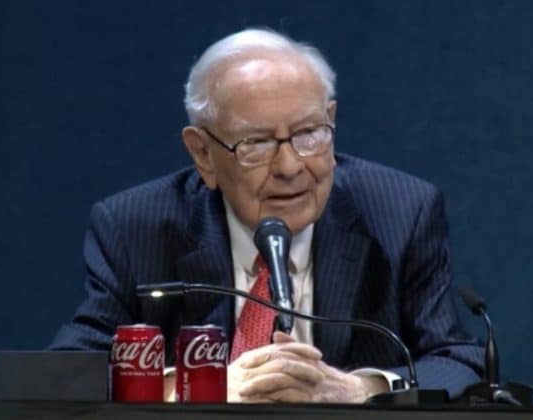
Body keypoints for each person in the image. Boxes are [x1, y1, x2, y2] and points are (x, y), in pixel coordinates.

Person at [50, 28, 483, 403]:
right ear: (203, 154)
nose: (290, 167)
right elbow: (67, 374)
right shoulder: (136, 226)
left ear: (331, 121)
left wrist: (360, 390)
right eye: (256, 144)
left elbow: (459, 361)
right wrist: (197, 387)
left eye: (309, 133)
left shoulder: (400, 213)